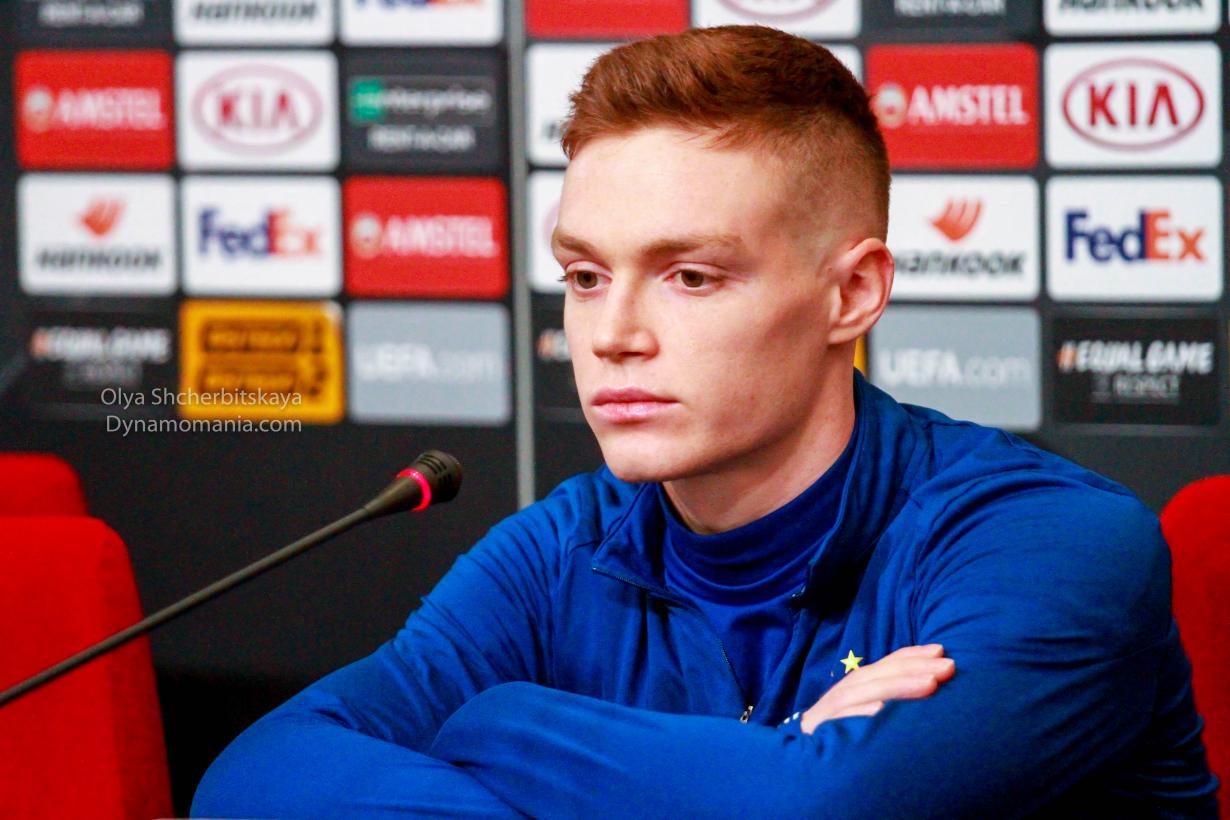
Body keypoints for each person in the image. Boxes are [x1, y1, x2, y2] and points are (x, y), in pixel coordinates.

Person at [192, 26, 1218, 818]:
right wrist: (784, 759)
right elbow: (254, 781)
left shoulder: (1051, 539)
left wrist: (495, 724)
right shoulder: (562, 551)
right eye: (585, 276)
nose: (612, 335)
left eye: (689, 276)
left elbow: (825, 809)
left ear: (852, 294)